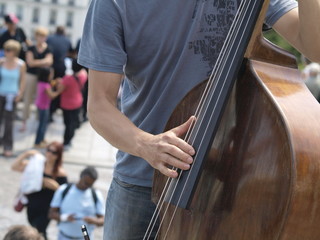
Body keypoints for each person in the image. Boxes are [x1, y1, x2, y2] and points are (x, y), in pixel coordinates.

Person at [78, 0, 320, 239]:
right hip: (142, 180)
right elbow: (99, 105)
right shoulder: (113, 3)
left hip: (231, 182)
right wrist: (146, 145)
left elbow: (316, 48)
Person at [11, 142, 68, 240]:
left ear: (58, 155)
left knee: (37, 230)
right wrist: (27, 154)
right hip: (32, 204)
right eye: (48, 150)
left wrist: (53, 185)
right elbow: (14, 167)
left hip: (46, 209)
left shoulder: (60, 173)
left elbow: (64, 193)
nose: (49, 154)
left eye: (53, 152)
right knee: (38, 231)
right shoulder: (36, 166)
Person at [49, 166, 105, 240]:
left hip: (85, 235)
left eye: (90, 185)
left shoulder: (95, 194)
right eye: (85, 183)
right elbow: (51, 214)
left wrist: (94, 221)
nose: (86, 186)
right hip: (65, 236)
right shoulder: (64, 189)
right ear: (81, 177)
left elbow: (103, 220)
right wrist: (65, 217)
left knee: (83, 231)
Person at [20, 26, 53, 132]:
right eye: (40, 36)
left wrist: (37, 62)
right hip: (31, 76)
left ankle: (39, 121)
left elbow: (49, 61)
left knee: (41, 99)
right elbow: (30, 63)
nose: (42, 38)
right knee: (27, 99)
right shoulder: (31, 48)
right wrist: (43, 62)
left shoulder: (48, 48)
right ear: (36, 36)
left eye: (44, 36)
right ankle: (24, 122)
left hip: (42, 78)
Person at [0, 39, 26, 157]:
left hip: (12, 95)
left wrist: (20, 94)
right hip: (1, 94)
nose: (6, 52)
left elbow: (22, 81)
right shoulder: (1, 62)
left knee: (9, 123)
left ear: (14, 51)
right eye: (5, 49)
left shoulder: (21, 64)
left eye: (9, 50)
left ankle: (8, 145)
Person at [56, 58, 87, 149]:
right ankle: (70, 140)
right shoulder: (83, 75)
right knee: (72, 122)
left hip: (67, 104)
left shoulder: (67, 79)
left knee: (67, 123)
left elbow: (60, 89)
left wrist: (58, 83)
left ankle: (66, 142)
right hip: (78, 101)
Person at [46, 26, 73, 122]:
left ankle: (46, 110)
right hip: (60, 68)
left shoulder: (49, 38)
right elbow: (71, 53)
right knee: (58, 89)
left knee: (48, 88)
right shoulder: (67, 40)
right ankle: (52, 111)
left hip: (50, 67)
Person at [34, 68, 60, 148]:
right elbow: (52, 96)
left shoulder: (41, 83)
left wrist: (55, 82)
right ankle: (38, 142)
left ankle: (41, 139)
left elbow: (50, 85)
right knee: (43, 124)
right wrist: (60, 90)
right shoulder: (46, 86)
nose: (52, 76)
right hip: (44, 107)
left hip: (40, 105)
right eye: (51, 74)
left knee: (43, 123)